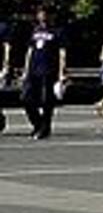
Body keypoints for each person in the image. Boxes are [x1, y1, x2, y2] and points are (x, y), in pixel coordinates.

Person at [16, 9, 67, 140]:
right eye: (40, 14)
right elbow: (29, 51)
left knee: (46, 101)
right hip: (33, 70)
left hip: (49, 71)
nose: (43, 16)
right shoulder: (35, 31)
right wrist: (25, 71)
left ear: (51, 16)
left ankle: (45, 128)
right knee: (26, 99)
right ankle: (37, 124)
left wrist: (62, 72)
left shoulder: (57, 31)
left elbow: (62, 53)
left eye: (45, 14)